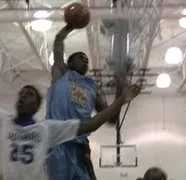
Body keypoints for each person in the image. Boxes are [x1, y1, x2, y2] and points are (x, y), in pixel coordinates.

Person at [0, 67, 141, 180]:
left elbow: (91, 124)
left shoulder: (46, 129)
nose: (22, 96)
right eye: (21, 94)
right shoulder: (3, 121)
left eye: (28, 95)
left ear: (36, 105)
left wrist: (121, 101)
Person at [46, 25, 123, 180]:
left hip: (80, 144)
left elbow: (112, 120)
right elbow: (58, 42)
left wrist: (120, 89)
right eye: (80, 57)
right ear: (69, 62)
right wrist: (69, 26)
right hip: (58, 140)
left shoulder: (92, 87)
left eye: (87, 59)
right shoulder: (61, 73)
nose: (85, 60)